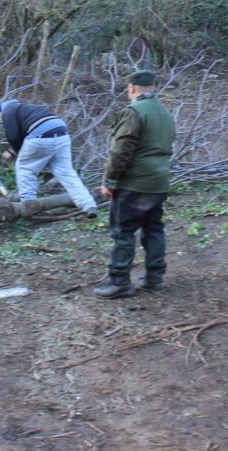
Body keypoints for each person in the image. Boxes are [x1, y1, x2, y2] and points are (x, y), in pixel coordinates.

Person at [94, 70, 177, 300]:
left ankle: (120, 282)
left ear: (131, 88)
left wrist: (109, 181)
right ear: (154, 87)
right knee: (154, 228)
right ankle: (154, 280)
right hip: (160, 181)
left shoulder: (133, 111)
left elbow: (121, 150)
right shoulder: (165, 112)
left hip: (135, 182)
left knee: (123, 232)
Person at [0, 99, 99, 218]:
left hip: (41, 134)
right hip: (61, 133)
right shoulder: (25, 107)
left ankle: (29, 207)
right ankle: (88, 205)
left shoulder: (7, 110)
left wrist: (11, 152)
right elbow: (23, 135)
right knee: (67, 173)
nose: (1, 123)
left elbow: (13, 136)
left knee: (25, 169)